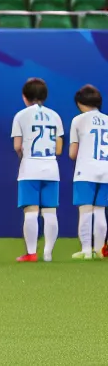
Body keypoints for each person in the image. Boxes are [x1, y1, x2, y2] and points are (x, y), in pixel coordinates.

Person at [11, 77, 63, 264]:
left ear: (25, 97)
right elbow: (58, 149)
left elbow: (18, 146)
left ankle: (31, 253)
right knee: (50, 212)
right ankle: (48, 253)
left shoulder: (21, 116)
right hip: (51, 167)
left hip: (29, 167)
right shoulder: (55, 116)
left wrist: (23, 155)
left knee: (31, 212)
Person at [68, 84, 108, 260]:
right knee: (100, 211)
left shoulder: (79, 120)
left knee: (85, 210)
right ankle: (100, 251)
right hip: (106, 170)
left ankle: (86, 251)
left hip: (86, 171)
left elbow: (72, 153)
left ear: (80, 103)